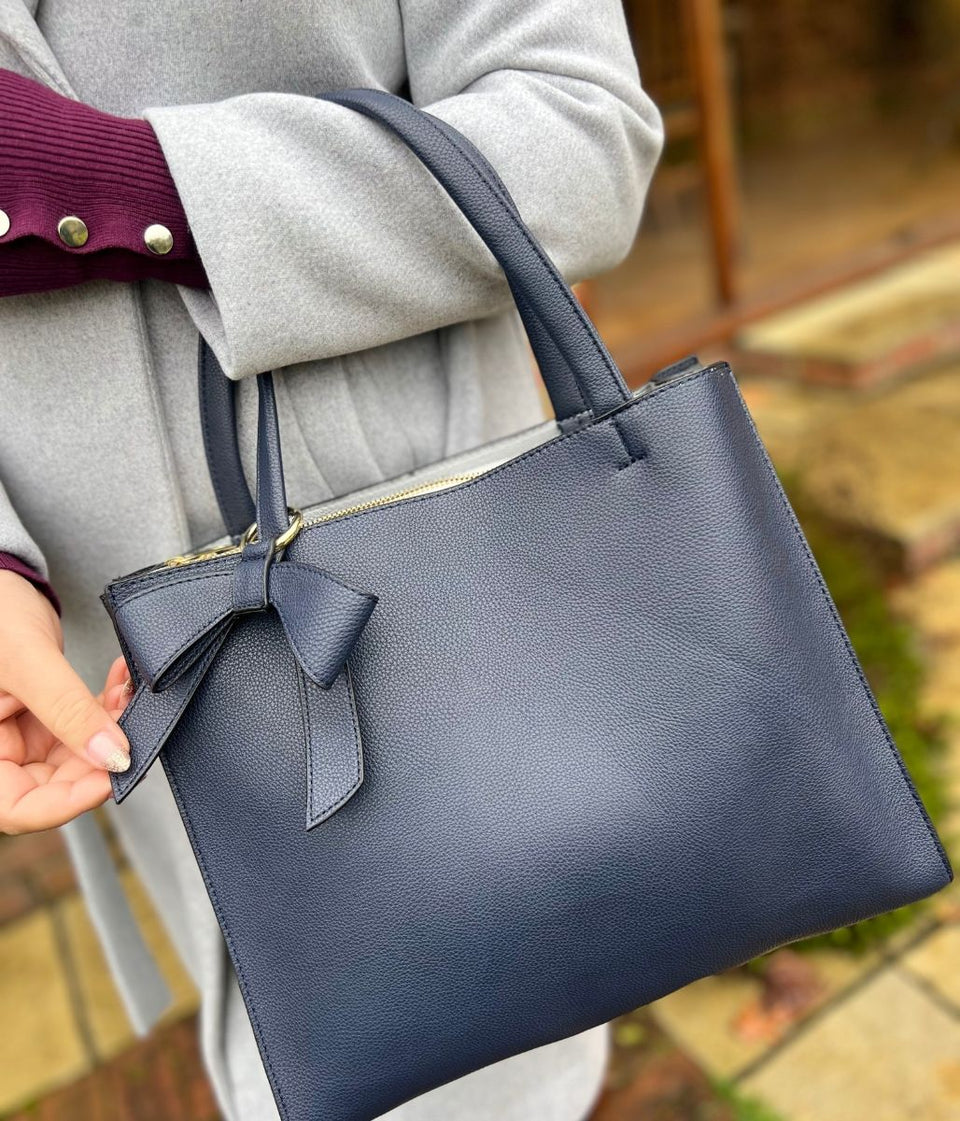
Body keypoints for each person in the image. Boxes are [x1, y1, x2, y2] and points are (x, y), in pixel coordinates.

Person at [0, 1, 663, 1117]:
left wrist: (122, 186)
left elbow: (582, 136)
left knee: (486, 1059)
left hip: (418, 589)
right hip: (88, 661)